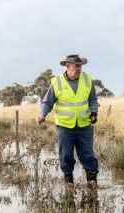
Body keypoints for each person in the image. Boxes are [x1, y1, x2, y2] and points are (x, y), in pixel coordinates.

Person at [36, 54, 99, 187]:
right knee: (66, 155)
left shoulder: (87, 79)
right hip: (64, 126)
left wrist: (94, 112)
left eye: (80, 65)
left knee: (87, 153)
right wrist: (42, 114)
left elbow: (93, 99)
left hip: (84, 125)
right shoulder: (57, 82)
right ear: (68, 66)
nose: (79, 68)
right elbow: (47, 102)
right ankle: (69, 181)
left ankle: (92, 181)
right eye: (77, 66)